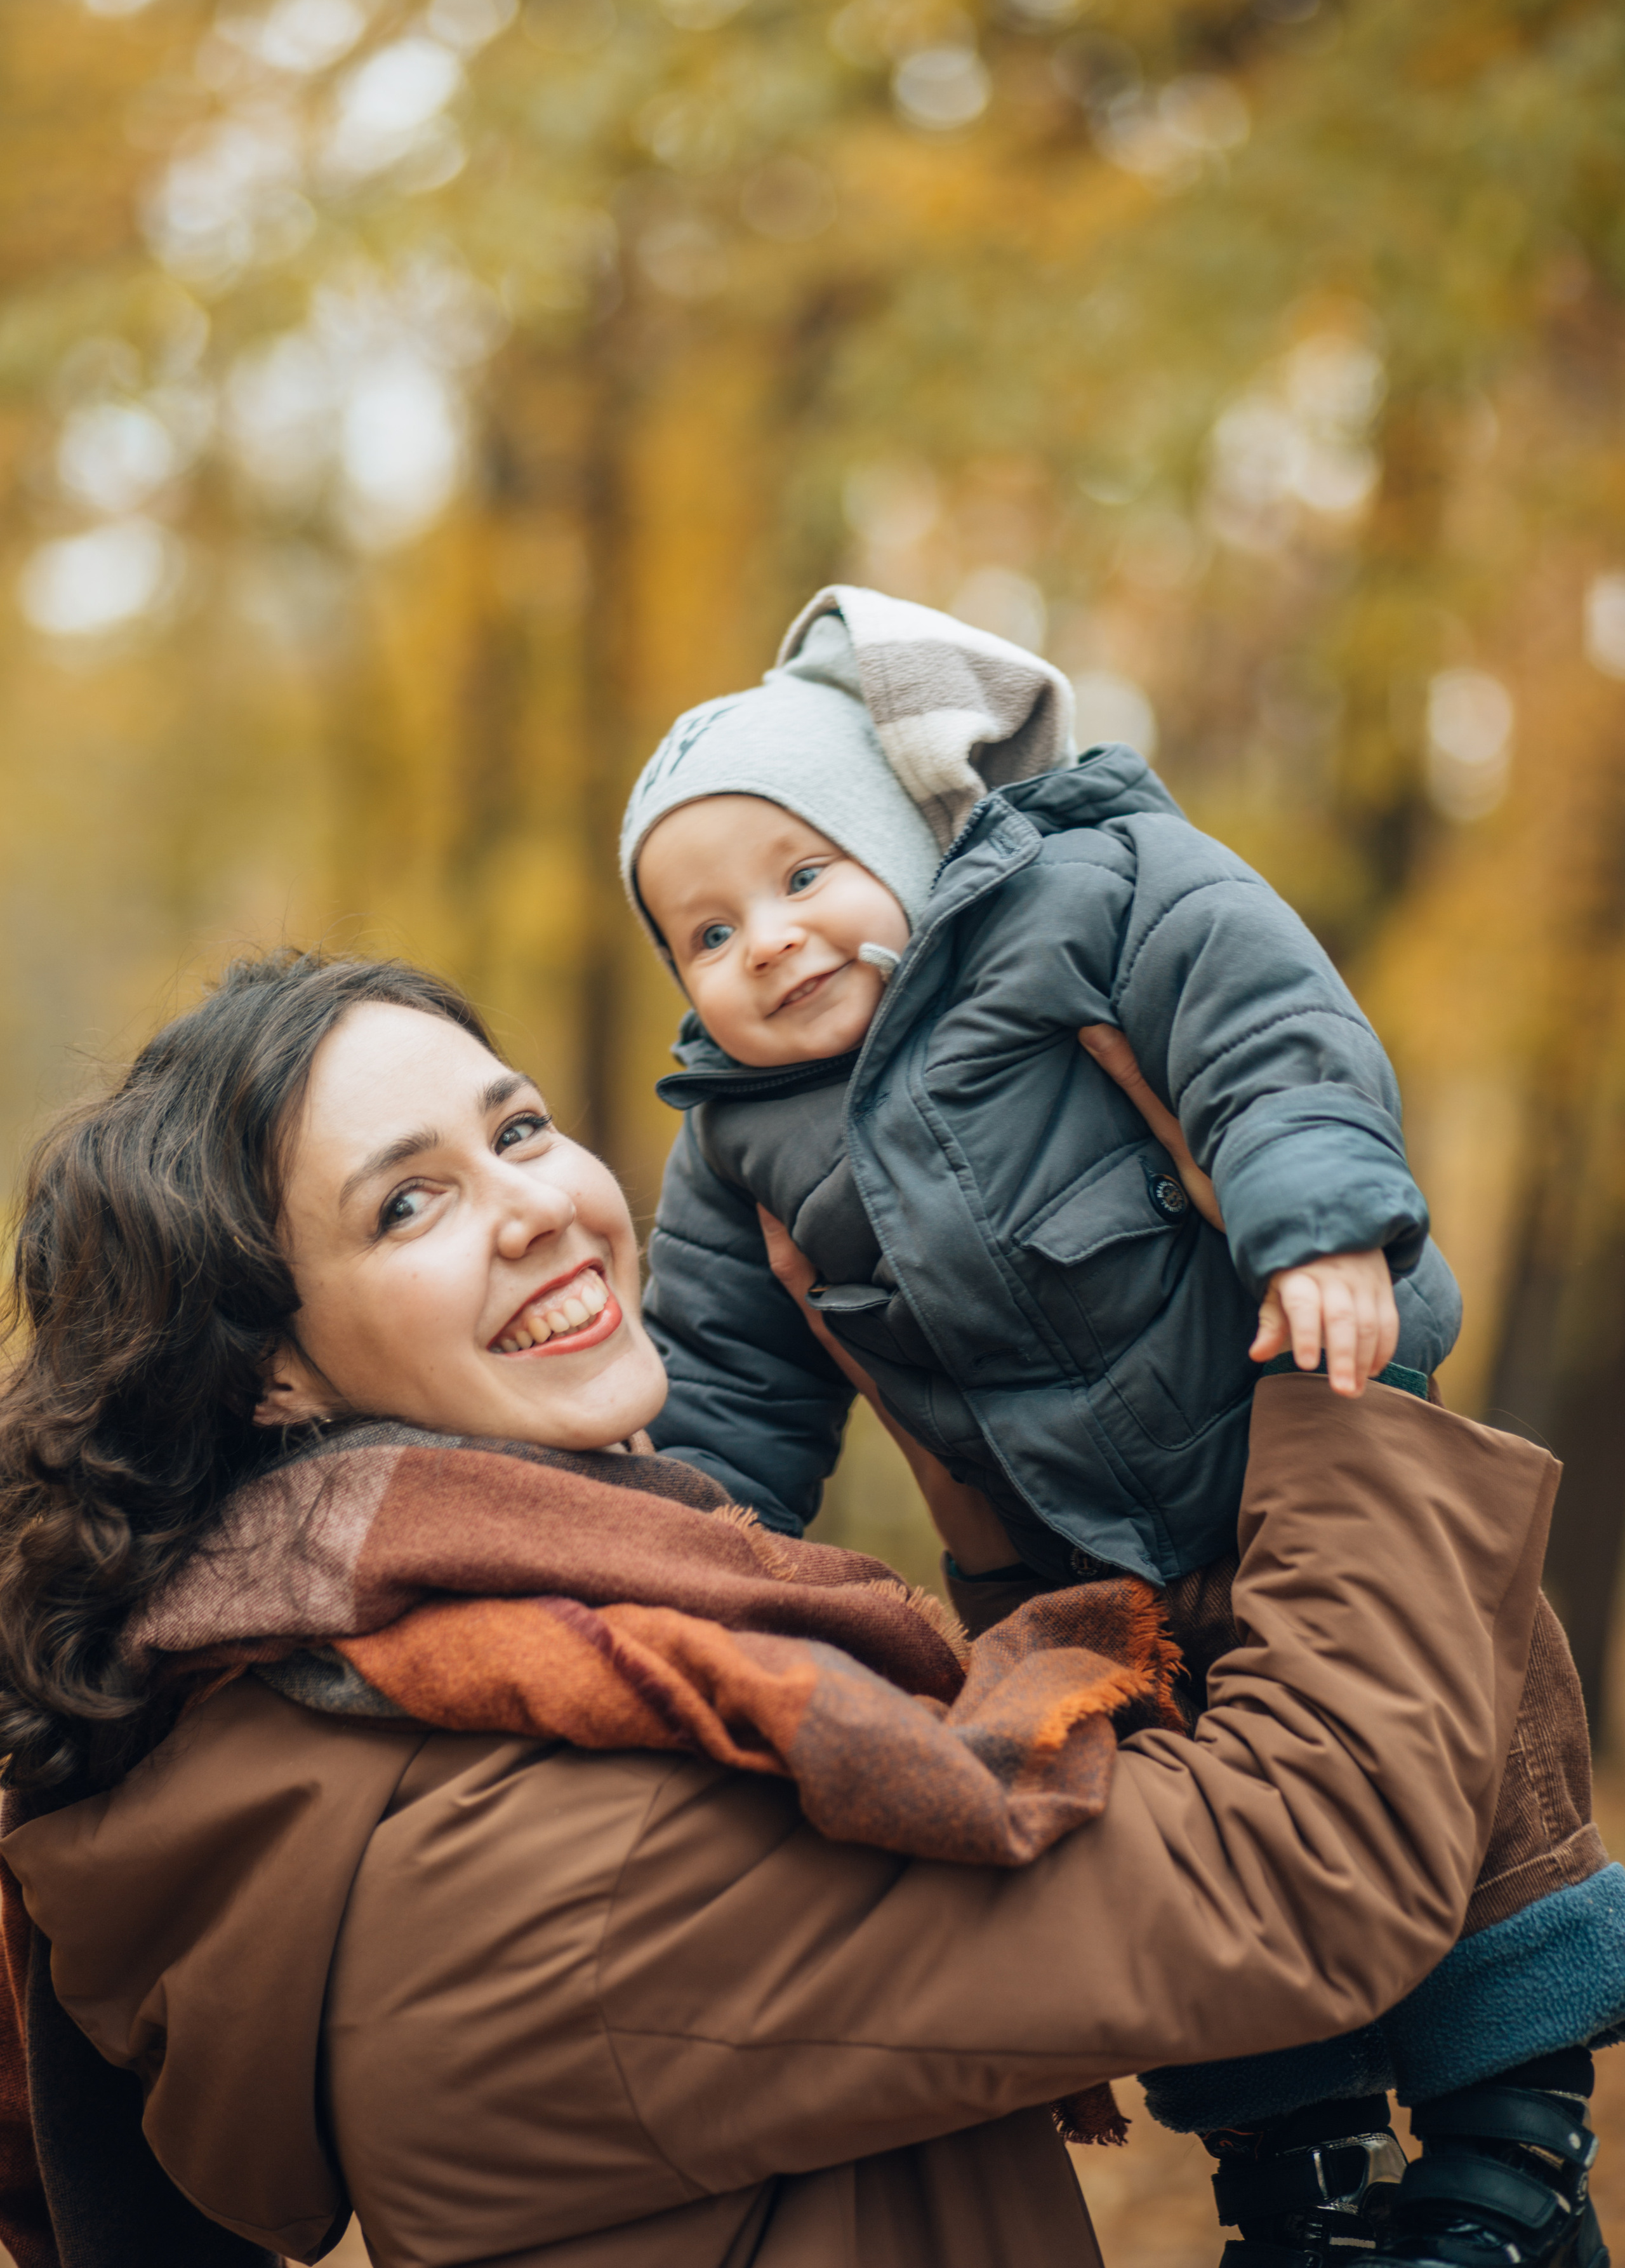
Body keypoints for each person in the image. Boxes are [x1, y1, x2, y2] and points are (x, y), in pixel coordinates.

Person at [0, 950, 1570, 2268]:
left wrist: (1024, 1557)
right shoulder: (526, 1856)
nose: (537, 1205)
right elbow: (1294, 1869)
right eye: (405, 1206)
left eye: (520, 1127)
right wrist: (1326, 1349)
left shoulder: (400, 1704)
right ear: (275, 1372)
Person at [621, 587, 1624, 2268]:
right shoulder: (731, 1145)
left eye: (802, 878)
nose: (768, 943)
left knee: (1473, 1746)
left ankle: (1511, 2163)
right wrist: (684, 1549)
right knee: (1163, 1845)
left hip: (1300, 1427)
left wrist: (1316, 1212)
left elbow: (1262, 1026)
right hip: (1078, 1573)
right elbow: (723, 1380)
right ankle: (1289, 2176)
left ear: (905, 844)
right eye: (706, 936)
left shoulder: (1075, 892)